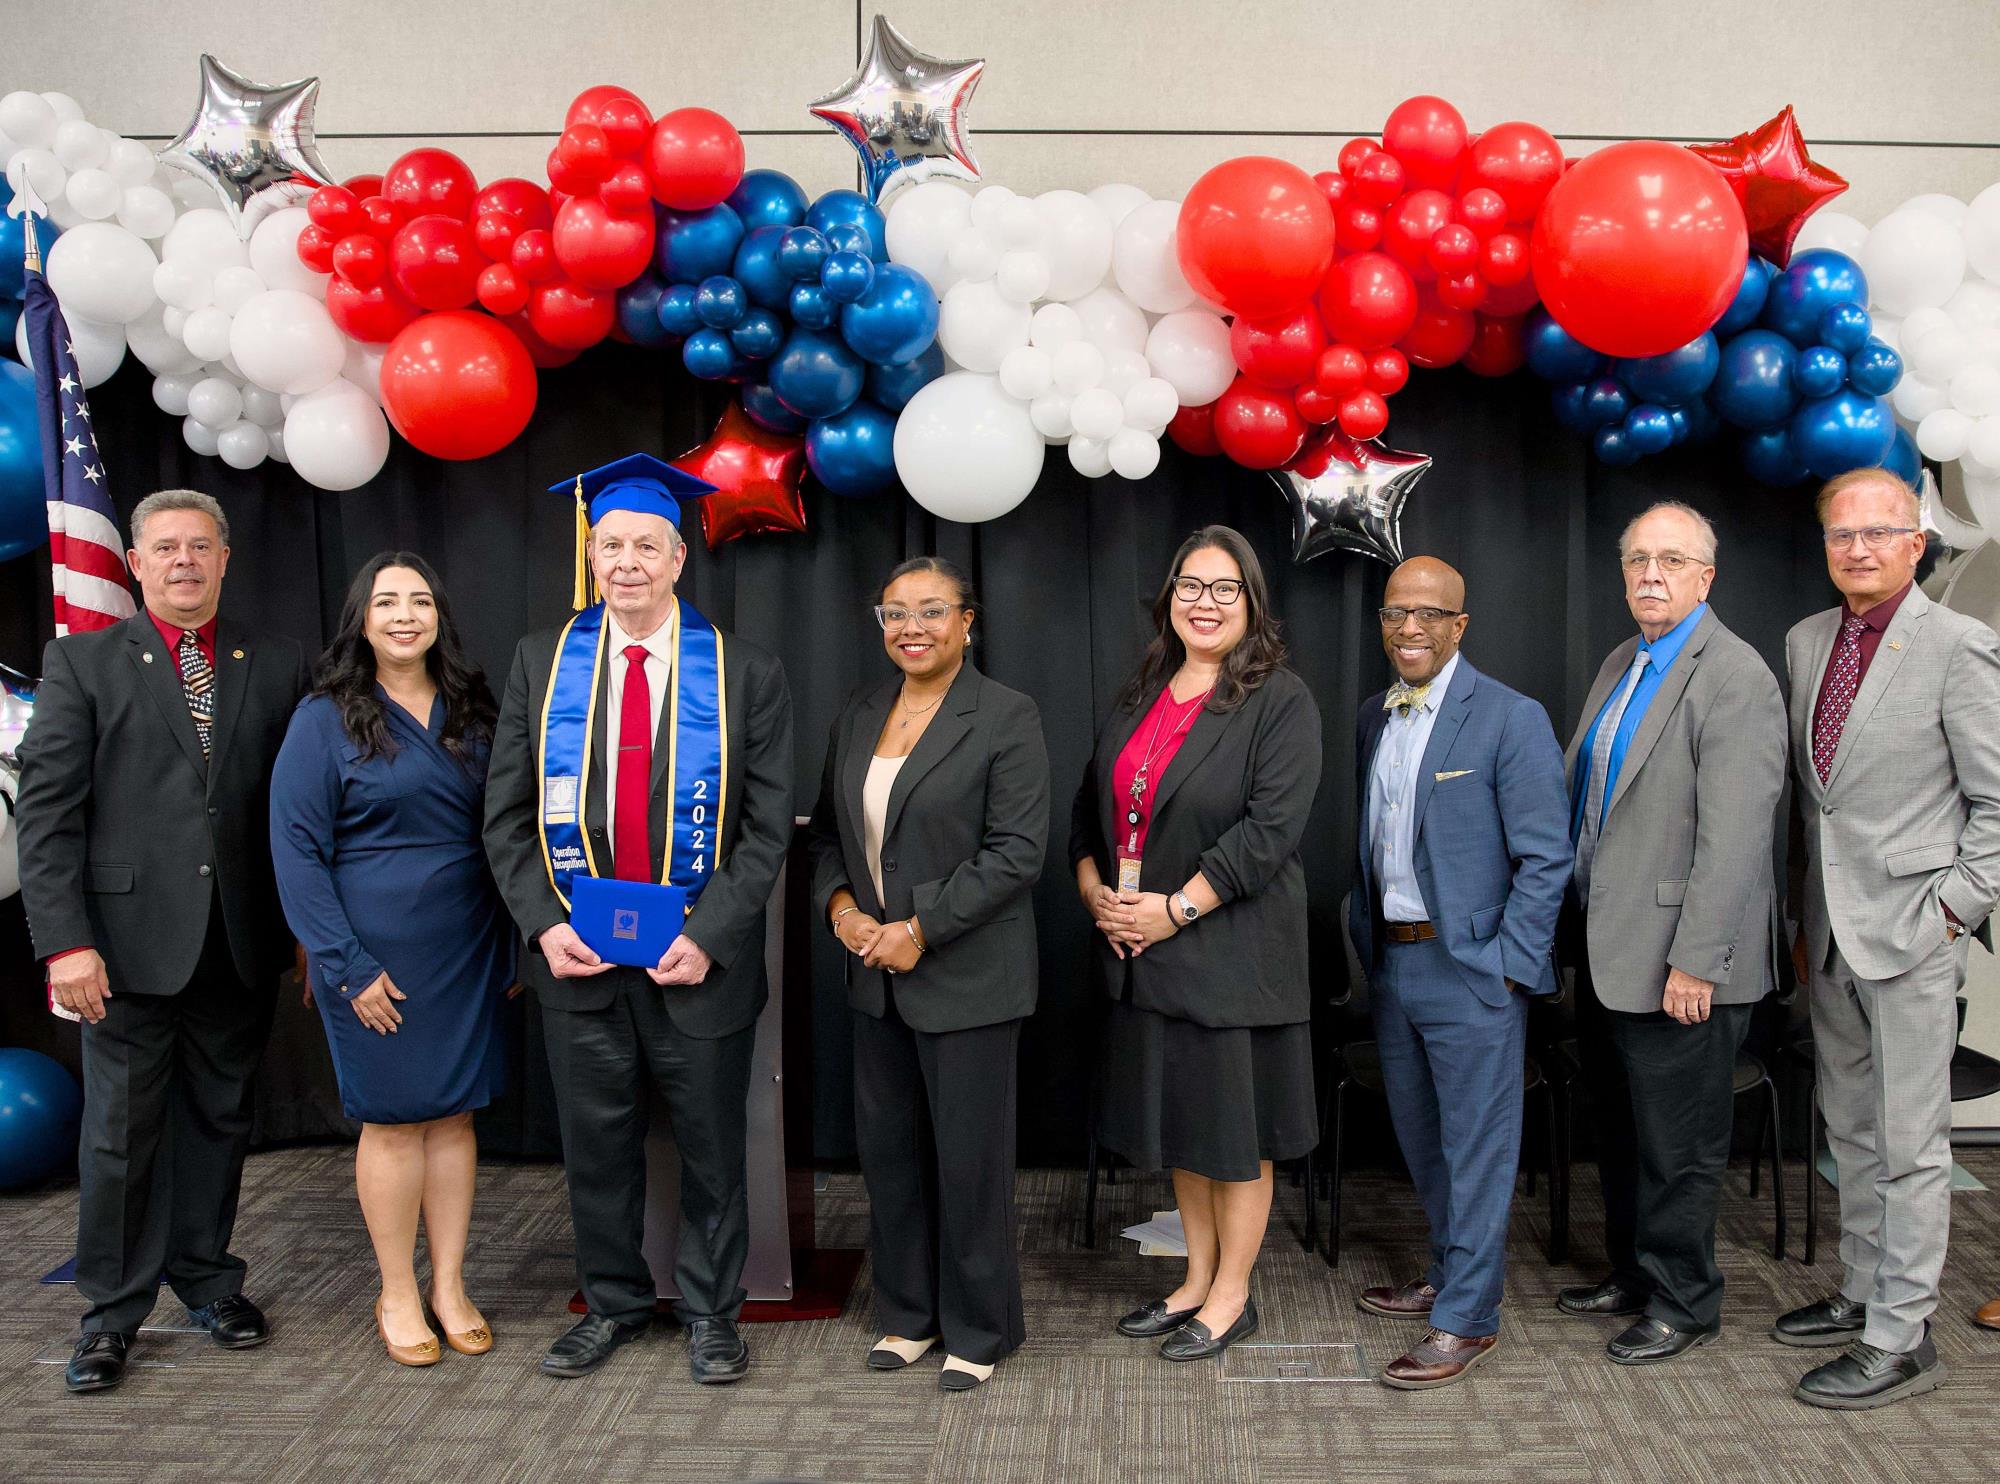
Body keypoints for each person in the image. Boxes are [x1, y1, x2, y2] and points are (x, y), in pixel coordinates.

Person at [483, 454, 794, 1385]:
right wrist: (544, 924)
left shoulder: (746, 672)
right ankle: (612, 1303)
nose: (626, 562)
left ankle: (711, 1312)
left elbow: (766, 826)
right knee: (597, 1150)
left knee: (709, 1151)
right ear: (593, 553)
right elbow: (503, 815)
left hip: (698, 961)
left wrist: (709, 936)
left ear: (677, 561)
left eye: (646, 547)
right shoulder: (542, 663)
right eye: (610, 544)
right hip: (578, 959)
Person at [15, 489, 308, 1394]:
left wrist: (304, 933)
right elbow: (47, 814)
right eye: (165, 548)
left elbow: (295, 814)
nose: (185, 561)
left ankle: (209, 1281)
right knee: (119, 1136)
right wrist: (66, 943)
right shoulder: (82, 663)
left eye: (201, 546)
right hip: (121, 947)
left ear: (226, 559)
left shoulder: (280, 660)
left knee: (219, 1122)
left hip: (241, 941)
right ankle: (110, 1313)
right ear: (134, 565)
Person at [1777, 467, 2000, 1409]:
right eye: (1841, 535)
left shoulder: (1961, 646)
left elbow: (1997, 804)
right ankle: (1864, 1291)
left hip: (1913, 933)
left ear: (1918, 543)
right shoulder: (1805, 641)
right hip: (1828, 932)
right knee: (1852, 1133)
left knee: (1914, 1144)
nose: (1858, 549)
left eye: (1879, 533)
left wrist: (1952, 910)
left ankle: (1902, 1336)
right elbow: (1812, 800)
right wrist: (1797, 917)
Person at [1072, 525, 1322, 1364]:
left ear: (1251, 603)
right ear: (1168, 597)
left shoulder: (1279, 700)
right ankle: (1194, 1279)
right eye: (1190, 585)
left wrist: (1172, 910)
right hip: (1147, 955)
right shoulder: (1143, 690)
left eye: (1224, 589)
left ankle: (1233, 1294)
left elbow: (1269, 833)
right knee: (1186, 1128)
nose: (1204, 603)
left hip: (1232, 955)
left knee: (1235, 1136)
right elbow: (1090, 813)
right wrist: (1096, 893)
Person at [806, 557, 1049, 1391]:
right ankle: (908, 1316)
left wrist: (920, 927)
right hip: (873, 973)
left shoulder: (1006, 716)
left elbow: (1017, 853)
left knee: (970, 1165)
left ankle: (981, 1330)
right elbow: (827, 836)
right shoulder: (861, 710)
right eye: (895, 611)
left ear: (968, 622)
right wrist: (843, 913)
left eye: (932, 610)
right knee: (892, 1158)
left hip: (968, 976)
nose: (912, 626)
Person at [269, 551, 515, 1368]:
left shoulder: (474, 711)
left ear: (439, 615)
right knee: (393, 1118)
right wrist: (345, 963)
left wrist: (513, 937)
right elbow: (297, 851)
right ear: (362, 620)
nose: (404, 615)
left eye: (419, 601)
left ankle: (448, 1284)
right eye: (386, 602)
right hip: (371, 954)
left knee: (453, 1114)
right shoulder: (324, 717)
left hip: (468, 943)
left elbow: (507, 830)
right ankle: (397, 1290)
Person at [1555, 503, 1787, 1364]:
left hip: (1681, 961)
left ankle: (1685, 1302)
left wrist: (1697, 960)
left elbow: (1736, 838)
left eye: (1672, 561)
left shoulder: (1735, 674)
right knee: (1622, 1130)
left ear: (1706, 577)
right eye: (1638, 560)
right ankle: (1634, 1273)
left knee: (1679, 1147)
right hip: (1611, 947)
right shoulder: (1624, 660)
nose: (1651, 575)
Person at [1348, 556, 1569, 1390]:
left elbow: (1547, 858)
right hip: (1395, 960)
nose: (1410, 628)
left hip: (1472, 969)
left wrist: (1511, 965)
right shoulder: (1376, 715)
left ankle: (1468, 1319)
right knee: (1423, 1140)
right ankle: (1449, 1273)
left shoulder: (1510, 718)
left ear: (1460, 626)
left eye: (1429, 615)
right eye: (1396, 613)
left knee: (1478, 1148)